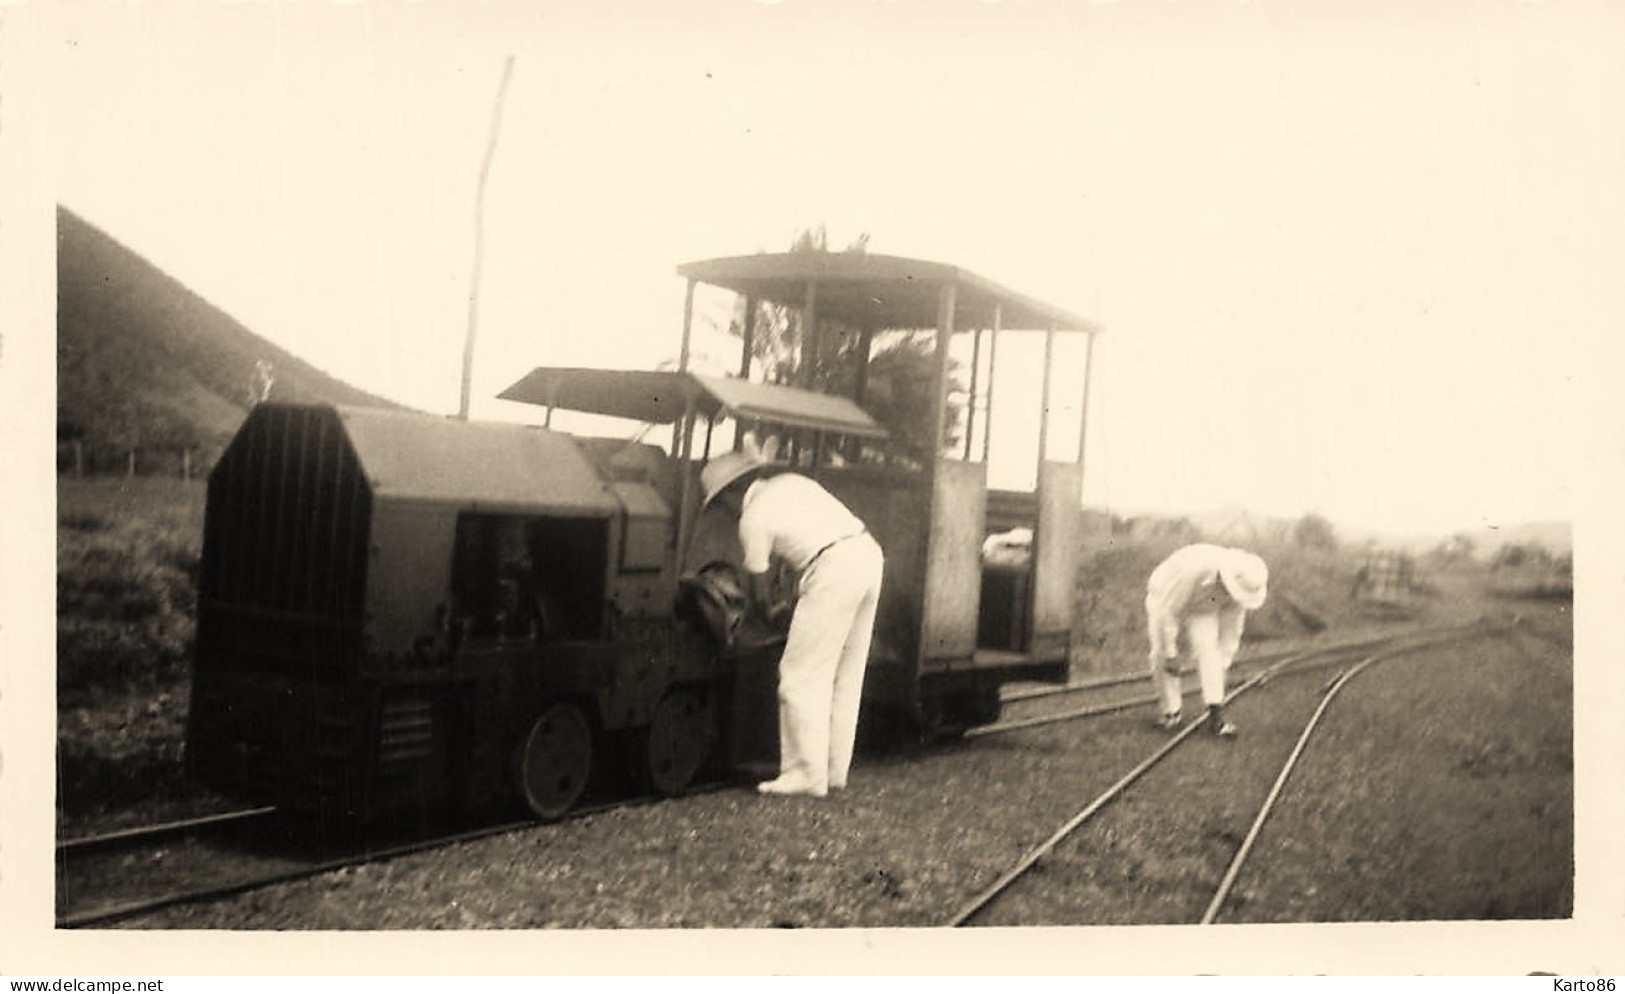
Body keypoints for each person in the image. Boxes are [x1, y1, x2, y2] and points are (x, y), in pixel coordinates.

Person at [700, 436, 884, 797]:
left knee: (799, 675)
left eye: (721, 504)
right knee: (845, 675)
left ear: (732, 493)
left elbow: (760, 593)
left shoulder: (752, 518)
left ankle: (804, 774)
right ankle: (832, 772)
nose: (725, 511)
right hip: (867, 555)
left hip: (833, 568)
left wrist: (770, 613)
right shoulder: (792, 483)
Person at [1144, 543, 1269, 737]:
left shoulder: (1239, 595)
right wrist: (1171, 653)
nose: (1230, 594)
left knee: (1209, 652)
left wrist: (1220, 668)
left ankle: (1216, 718)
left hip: (1203, 607)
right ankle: (1171, 713)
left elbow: (1230, 634)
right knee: (1161, 654)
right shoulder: (1193, 570)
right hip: (1165, 596)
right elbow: (1168, 612)